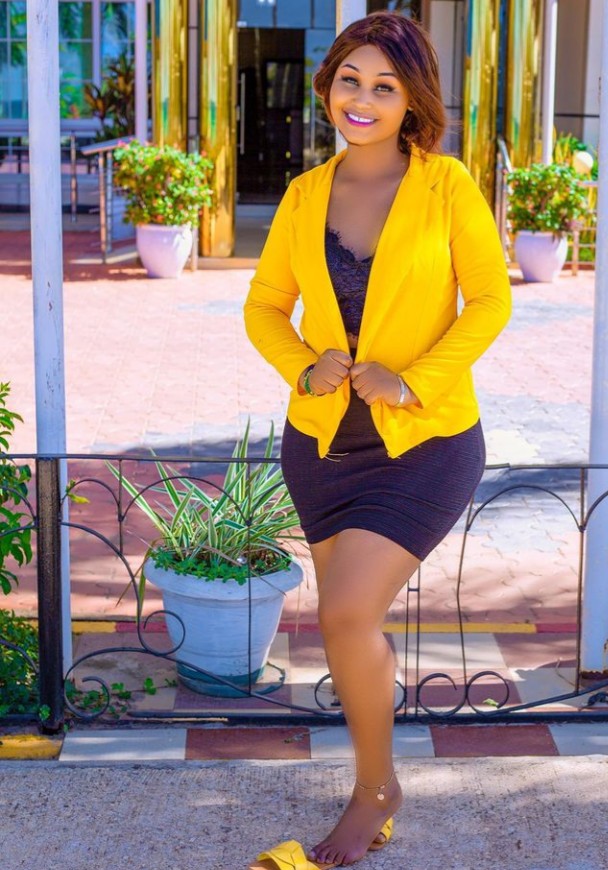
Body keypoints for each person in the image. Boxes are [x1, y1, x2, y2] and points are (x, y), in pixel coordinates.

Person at [244, 11, 511, 868]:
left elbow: (491, 300)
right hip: (322, 450)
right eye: (350, 80)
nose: (362, 99)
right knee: (347, 626)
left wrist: (414, 379)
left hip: (426, 444)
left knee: (346, 612)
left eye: (384, 86)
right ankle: (376, 777)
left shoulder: (447, 186)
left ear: (411, 102)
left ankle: (375, 793)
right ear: (329, 87)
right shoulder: (303, 195)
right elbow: (264, 307)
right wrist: (303, 366)